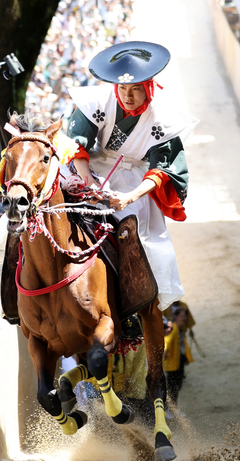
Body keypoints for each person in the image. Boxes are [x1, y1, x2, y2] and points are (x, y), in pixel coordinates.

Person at [66, 41, 198, 310]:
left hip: (135, 179)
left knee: (143, 236)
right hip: (92, 165)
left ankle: (139, 302)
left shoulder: (163, 117)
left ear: (148, 87)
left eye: (136, 89)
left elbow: (162, 169)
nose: (127, 96)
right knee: (51, 198)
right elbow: (76, 143)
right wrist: (87, 181)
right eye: (123, 88)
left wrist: (129, 197)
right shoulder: (98, 102)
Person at [163, 307, 193, 416]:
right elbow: (167, 340)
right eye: (181, 316)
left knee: (177, 386)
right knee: (172, 387)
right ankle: (168, 409)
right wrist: (165, 351)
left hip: (179, 361)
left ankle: (173, 408)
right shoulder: (174, 328)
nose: (184, 318)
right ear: (176, 317)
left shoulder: (181, 329)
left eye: (185, 316)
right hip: (172, 363)